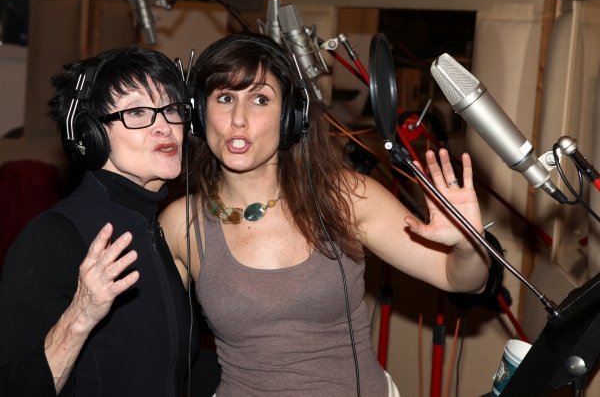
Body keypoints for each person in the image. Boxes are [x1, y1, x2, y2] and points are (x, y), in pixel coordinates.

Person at [159, 32, 490, 397]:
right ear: (200, 114)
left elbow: (462, 280)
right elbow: (150, 350)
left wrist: (468, 244)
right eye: (224, 98)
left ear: (291, 117)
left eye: (259, 99)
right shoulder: (179, 224)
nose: (238, 119)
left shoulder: (345, 196)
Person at [0, 46, 199, 396]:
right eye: (137, 112)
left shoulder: (160, 232)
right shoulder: (54, 237)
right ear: (90, 134)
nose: (164, 127)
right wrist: (81, 315)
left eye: (170, 109)